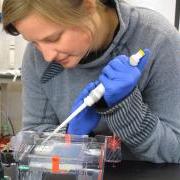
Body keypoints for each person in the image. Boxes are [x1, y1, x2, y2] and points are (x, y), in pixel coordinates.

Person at [2, 0, 180, 163]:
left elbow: (175, 150)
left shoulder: (158, 39)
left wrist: (125, 107)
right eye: (34, 42)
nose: (47, 56)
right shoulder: (37, 57)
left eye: (53, 38)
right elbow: (31, 143)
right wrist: (72, 136)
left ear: (89, 6)